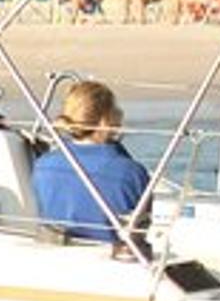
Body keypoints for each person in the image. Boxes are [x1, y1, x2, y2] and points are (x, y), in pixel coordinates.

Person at [31, 80, 148, 244]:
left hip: (57, 256)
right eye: (115, 109)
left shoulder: (42, 165)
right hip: (109, 258)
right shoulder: (131, 172)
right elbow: (140, 229)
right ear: (105, 119)